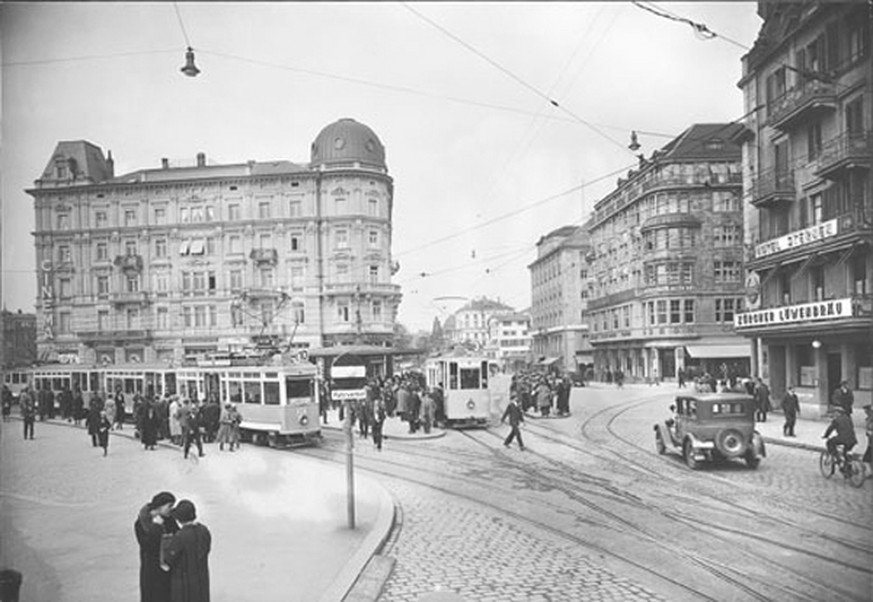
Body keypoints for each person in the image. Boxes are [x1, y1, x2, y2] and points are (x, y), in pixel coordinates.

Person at [162, 500, 211, 602]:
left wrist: (166, 542)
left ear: (179, 519)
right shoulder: (204, 530)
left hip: (184, 584)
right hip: (201, 580)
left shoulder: (180, 536)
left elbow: (167, 559)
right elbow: (206, 549)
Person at [135, 491, 179, 602]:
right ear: (160, 506)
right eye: (169, 506)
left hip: (166, 566)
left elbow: (178, 537)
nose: (171, 509)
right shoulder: (141, 523)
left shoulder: (169, 519)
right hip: (151, 569)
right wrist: (156, 527)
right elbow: (146, 546)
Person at [862, 404, 872, 474]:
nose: (865, 412)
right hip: (870, 442)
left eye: (866, 410)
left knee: (866, 459)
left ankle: (869, 472)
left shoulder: (871, 419)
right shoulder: (868, 418)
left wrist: (870, 432)